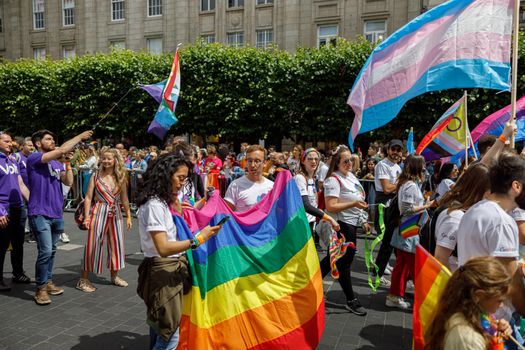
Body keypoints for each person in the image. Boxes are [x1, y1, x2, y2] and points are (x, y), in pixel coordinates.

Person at [136, 153, 220, 350]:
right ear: (166, 176)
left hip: (165, 269)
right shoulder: (155, 205)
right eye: (180, 178)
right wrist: (199, 239)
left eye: (185, 178)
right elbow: (164, 247)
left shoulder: (161, 202)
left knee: (160, 326)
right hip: (163, 270)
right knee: (170, 335)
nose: (183, 183)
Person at [27, 129, 93, 305]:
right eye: (48, 139)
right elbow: (62, 150)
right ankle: (40, 288)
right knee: (46, 250)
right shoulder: (34, 158)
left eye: (53, 138)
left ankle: (48, 282)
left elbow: (68, 181)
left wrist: (68, 163)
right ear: (38, 143)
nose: (52, 141)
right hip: (39, 211)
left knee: (53, 250)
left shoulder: (56, 163)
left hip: (56, 212)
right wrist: (79, 137)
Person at [457, 153, 525, 317]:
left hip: (474, 308)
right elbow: (512, 286)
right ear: (516, 186)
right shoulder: (501, 221)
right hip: (494, 317)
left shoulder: (475, 209)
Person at [321, 145, 369, 316]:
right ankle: (351, 299)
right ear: (337, 162)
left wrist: (363, 220)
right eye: (345, 161)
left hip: (351, 224)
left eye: (351, 159)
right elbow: (331, 206)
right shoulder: (333, 180)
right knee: (344, 261)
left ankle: (308, 287)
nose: (350, 163)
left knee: (332, 259)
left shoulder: (351, 177)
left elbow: (359, 200)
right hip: (340, 225)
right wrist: (354, 204)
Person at [425, 257, 512, 350]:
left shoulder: (468, 315)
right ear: (479, 295)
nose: (501, 305)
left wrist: (497, 334)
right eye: (499, 300)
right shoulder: (468, 339)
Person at [77, 147, 132, 293]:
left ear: (115, 160)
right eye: (104, 158)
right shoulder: (95, 176)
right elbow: (88, 197)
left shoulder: (120, 176)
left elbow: (125, 198)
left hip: (116, 213)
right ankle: (83, 280)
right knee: (93, 245)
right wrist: (87, 217)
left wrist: (128, 215)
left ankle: (114, 276)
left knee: (117, 245)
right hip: (99, 211)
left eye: (109, 158)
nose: (106, 161)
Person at [386, 155, 434, 309]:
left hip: (407, 229)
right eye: (423, 164)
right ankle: (422, 300)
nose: (425, 167)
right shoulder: (410, 185)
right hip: (409, 230)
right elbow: (406, 209)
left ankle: (394, 295)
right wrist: (428, 205)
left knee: (402, 266)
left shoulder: (407, 183)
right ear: (417, 167)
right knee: (413, 267)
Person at [433, 163, 490, 271]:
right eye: (489, 190)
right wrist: (456, 284)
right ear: (478, 190)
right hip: (453, 280)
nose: (490, 195)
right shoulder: (455, 217)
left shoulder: (463, 210)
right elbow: (441, 258)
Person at [0, 132, 30, 291]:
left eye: (10, 141)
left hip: (18, 207)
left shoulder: (13, 160)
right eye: (6, 141)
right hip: (4, 209)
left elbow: (21, 184)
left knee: (18, 243)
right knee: (2, 244)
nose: (10, 143)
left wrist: (32, 202)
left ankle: (18, 273)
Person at [373, 139, 403, 284]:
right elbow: (386, 188)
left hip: (393, 206)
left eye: (399, 150)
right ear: (388, 150)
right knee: (387, 242)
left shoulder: (397, 166)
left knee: (391, 241)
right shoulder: (383, 165)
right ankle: (378, 273)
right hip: (384, 206)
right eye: (393, 149)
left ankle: (381, 268)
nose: (396, 152)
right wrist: (402, 183)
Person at [294, 148, 339, 240]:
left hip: (310, 223)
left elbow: (313, 203)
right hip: (300, 225)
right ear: (303, 161)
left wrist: (334, 158)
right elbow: (306, 205)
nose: (313, 161)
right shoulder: (300, 178)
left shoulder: (312, 179)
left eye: (316, 159)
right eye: (310, 159)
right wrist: (329, 218)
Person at [224, 145, 274, 212]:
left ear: (265, 163)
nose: (253, 165)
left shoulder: (272, 187)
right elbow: (226, 214)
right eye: (250, 161)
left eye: (257, 161)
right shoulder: (235, 185)